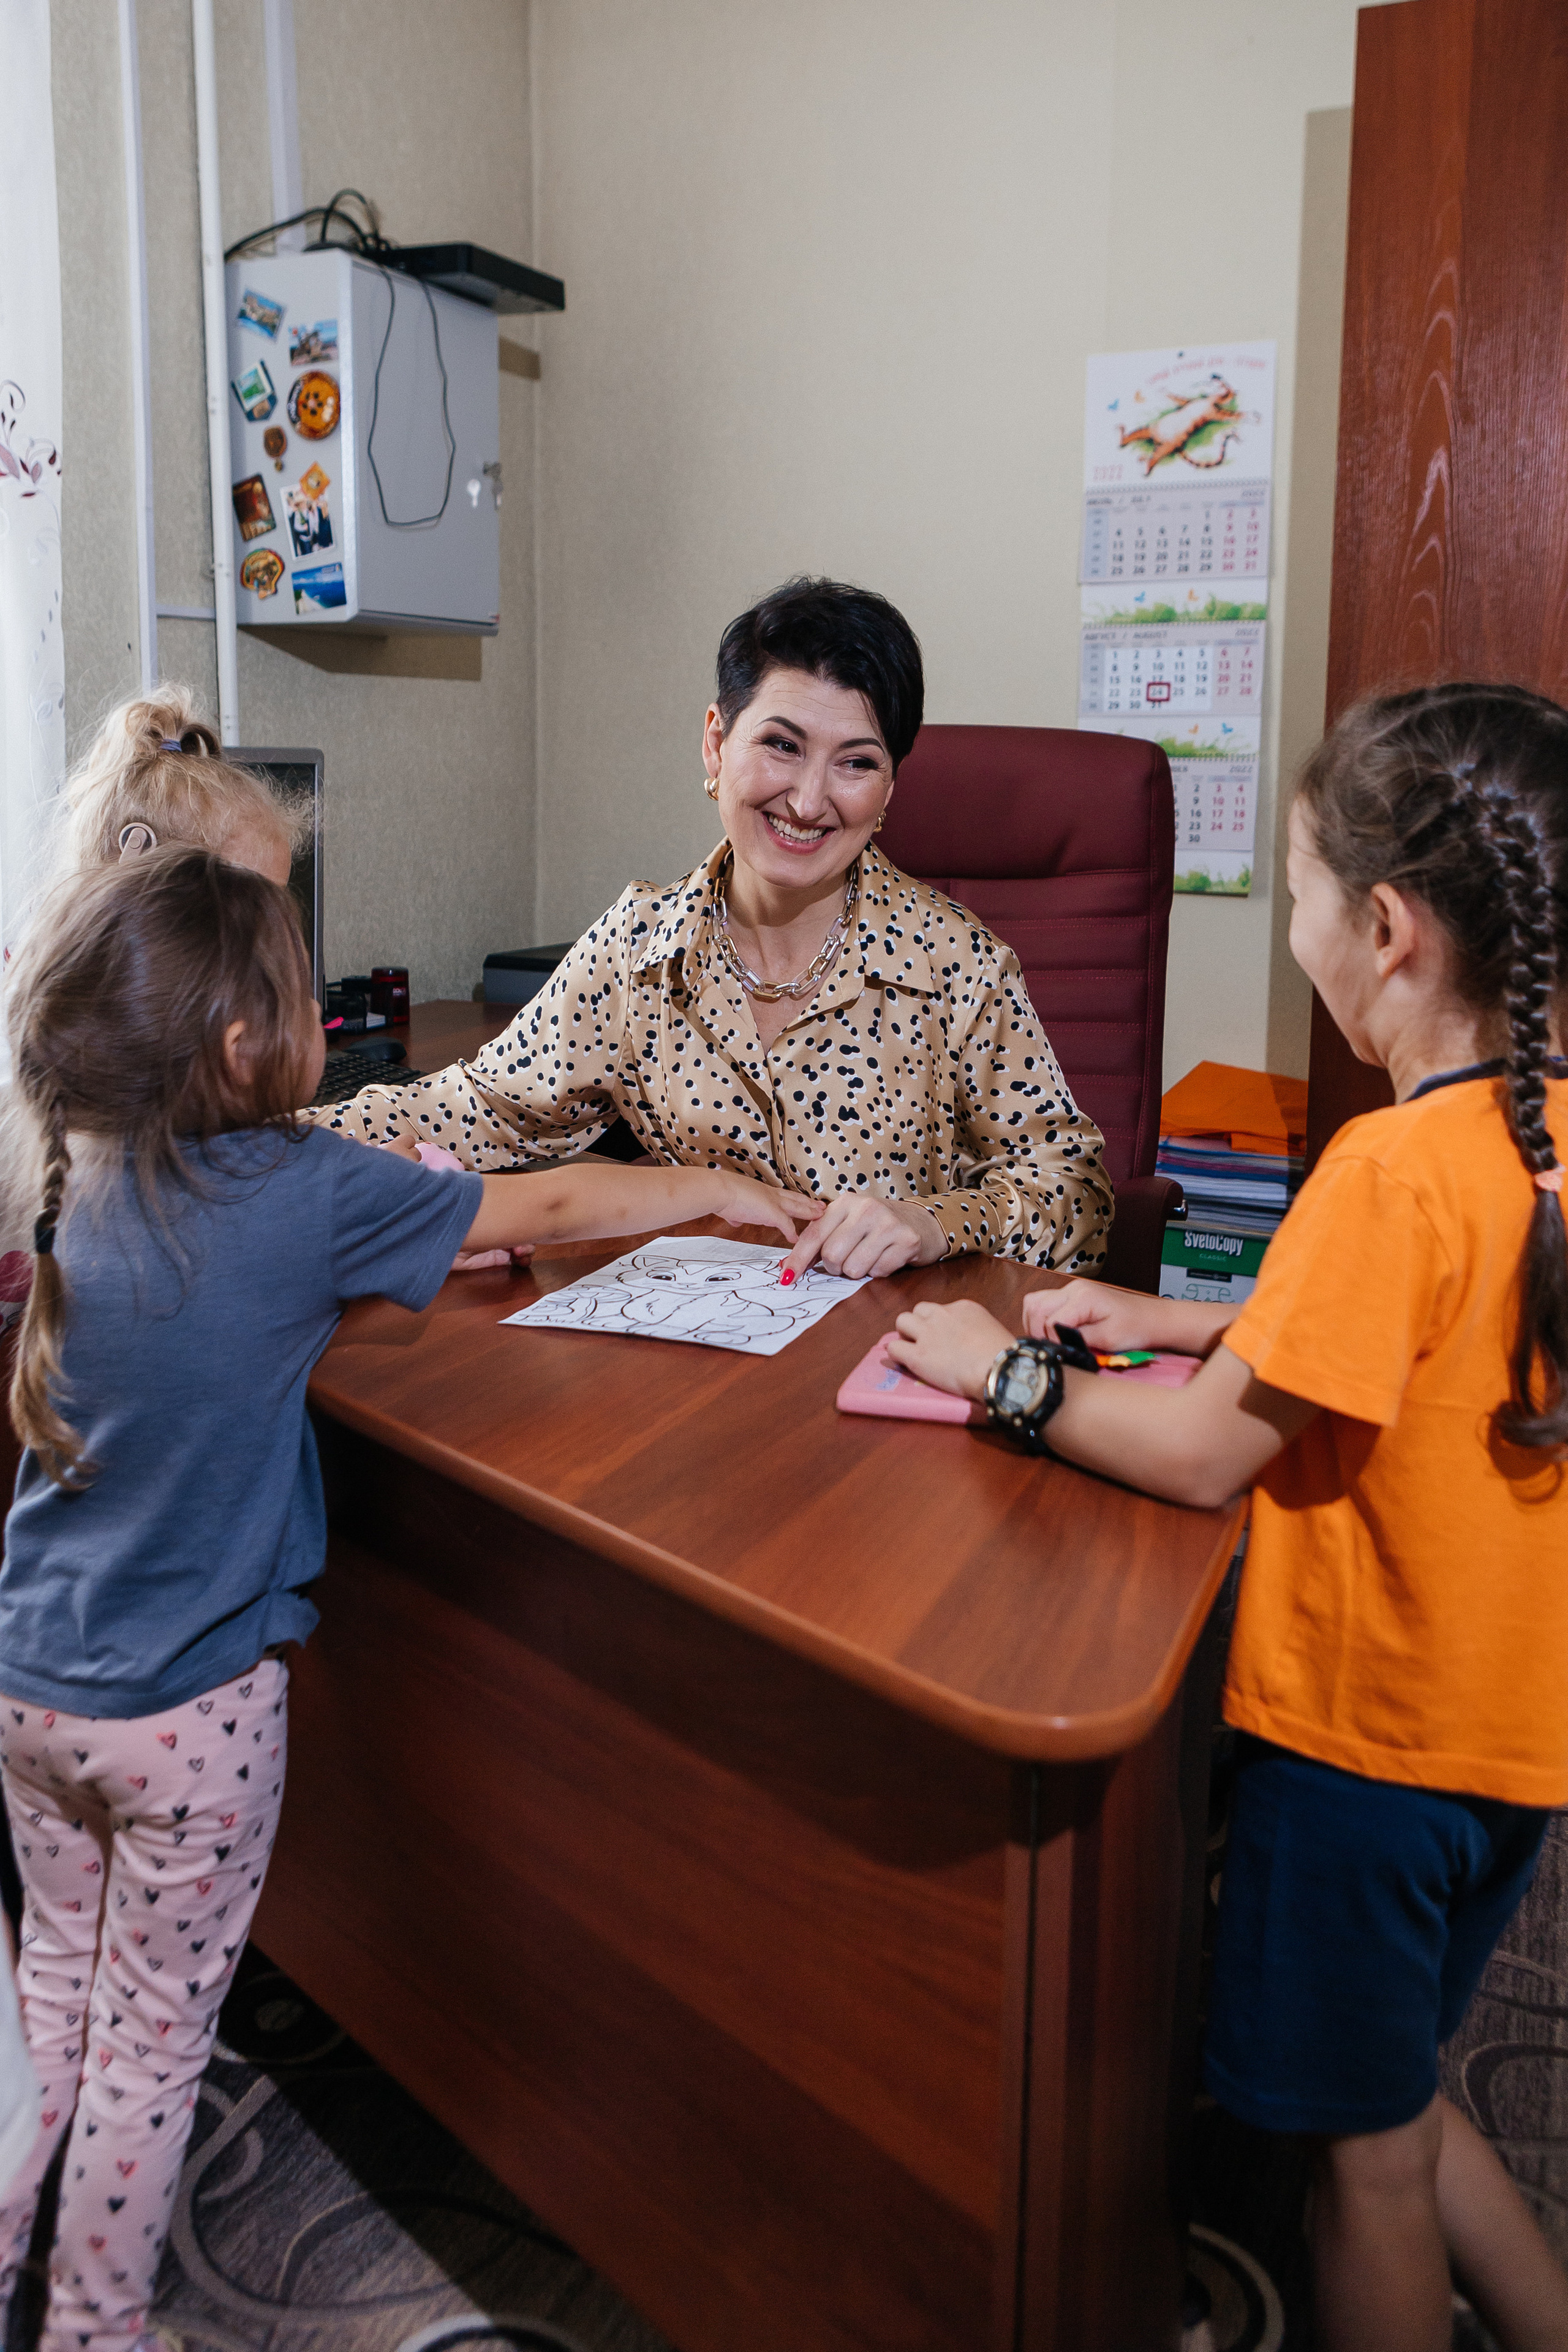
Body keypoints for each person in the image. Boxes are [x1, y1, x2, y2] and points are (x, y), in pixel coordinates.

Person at [0, 846, 817, 2352]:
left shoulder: (90, 1175)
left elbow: (270, 1319)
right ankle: (92, 2327)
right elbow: (552, 1197)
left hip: (30, 1685)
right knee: (152, 2042)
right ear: (248, 1046)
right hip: (192, 1718)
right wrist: (711, 1184)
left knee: (49, 1997)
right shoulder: (297, 1183)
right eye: (306, 997)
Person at [885, 682, 1568, 2352]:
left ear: (1385, 927)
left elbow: (1202, 1461)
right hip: (1515, 1750)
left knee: (1366, 2161)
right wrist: (1226, 1324)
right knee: (1394, 2078)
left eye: (1295, 887)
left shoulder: (1384, 1177)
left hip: (1365, 1765)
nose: (1291, 923)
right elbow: (1414, 1344)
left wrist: (1002, 1374)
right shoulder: (1530, 1146)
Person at [315, 577, 1114, 1280]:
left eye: (856, 763)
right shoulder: (640, 948)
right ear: (715, 744)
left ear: (889, 791)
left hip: (891, 1361)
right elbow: (475, 1109)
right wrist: (247, 1142)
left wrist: (937, 1223)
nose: (807, 800)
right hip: (703, 1364)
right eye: (781, 745)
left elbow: (1078, 1197)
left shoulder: (957, 965)